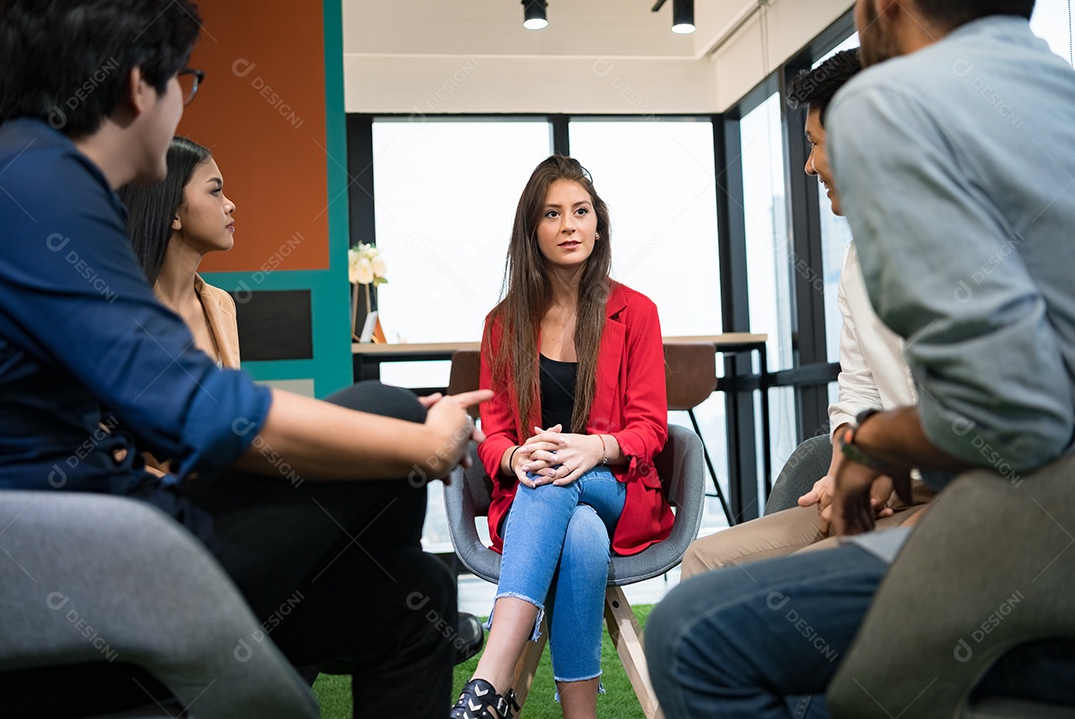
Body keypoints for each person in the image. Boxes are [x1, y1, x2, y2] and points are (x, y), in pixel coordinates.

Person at [0, 2, 490, 717]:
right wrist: (424, 441)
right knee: (385, 409)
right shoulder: (46, 181)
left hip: (103, 532)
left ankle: (269, 638)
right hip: (92, 557)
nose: (183, 100)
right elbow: (204, 412)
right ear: (138, 83)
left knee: (416, 598)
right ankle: (234, 656)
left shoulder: (28, 169)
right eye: (185, 80)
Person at [647, 0, 1075, 716]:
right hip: (1008, 488)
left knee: (691, 636)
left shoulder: (892, 101)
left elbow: (1008, 417)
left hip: (1028, 503)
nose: (814, 161)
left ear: (885, 6)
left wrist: (871, 443)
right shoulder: (1053, 90)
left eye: (818, 143)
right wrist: (858, 445)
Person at [679, 49, 934, 580]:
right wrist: (844, 459)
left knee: (783, 588)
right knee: (703, 559)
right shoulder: (857, 257)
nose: (808, 165)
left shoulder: (948, 246)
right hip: (880, 482)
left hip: (953, 496)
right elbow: (859, 391)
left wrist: (882, 469)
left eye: (816, 145)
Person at [450, 155, 673, 719]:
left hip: (618, 489)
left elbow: (651, 428)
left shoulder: (637, 312)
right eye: (552, 214)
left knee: (559, 483)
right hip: (539, 496)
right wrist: (517, 454)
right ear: (533, 230)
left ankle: (489, 678)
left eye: (581, 212)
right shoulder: (503, 324)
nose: (569, 225)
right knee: (578, 532)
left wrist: (594, 448)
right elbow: (493, 437)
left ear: (598, 224)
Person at [119, 136, 240, 368]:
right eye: (215, 191)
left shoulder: (222, 304)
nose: (229, 205)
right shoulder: (120, 311)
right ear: (173, 213)